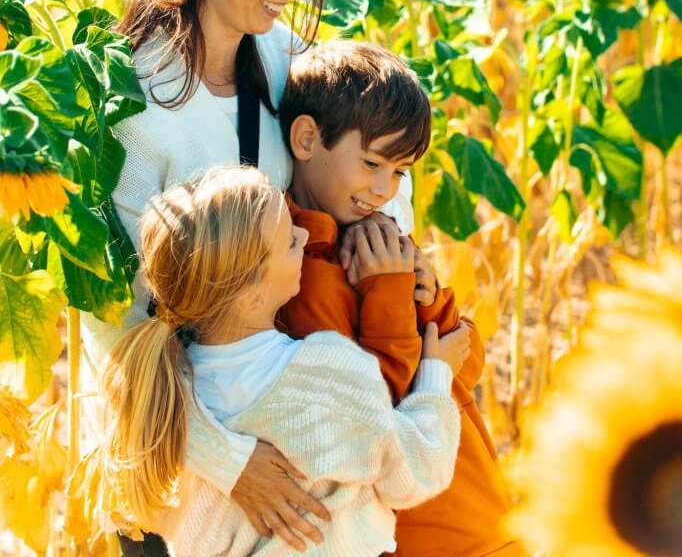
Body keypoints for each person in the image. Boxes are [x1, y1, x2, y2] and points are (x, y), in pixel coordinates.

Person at [83, 0, 415, 553]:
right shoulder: (132, 110)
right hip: (177, 468)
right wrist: (228, 463)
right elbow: (116, 328)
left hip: (287, 429)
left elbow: (380, 157)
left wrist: (383, 245)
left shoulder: (283, 58)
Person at [97, 166, 465, 557]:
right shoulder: (323, 372)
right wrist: (436, 375)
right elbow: (415, 473)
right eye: (291, 241)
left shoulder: (160, 393)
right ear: (250, 295)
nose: (305, 236)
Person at [278, 41, 527, 557]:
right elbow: (371, 414)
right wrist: (390, 291)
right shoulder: (300, 271)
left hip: (480, 516)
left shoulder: (380, 238)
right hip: (422, 534)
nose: (385, 188)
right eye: (371, 163)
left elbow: (465, 363)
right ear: (305, 138)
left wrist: (431, 298)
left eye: (399, 172)